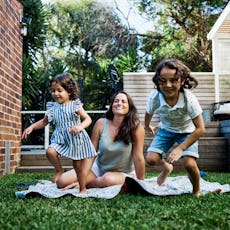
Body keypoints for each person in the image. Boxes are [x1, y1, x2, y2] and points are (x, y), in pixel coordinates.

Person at [21, 73, 97, 194]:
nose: (55, 93)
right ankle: (59, 170)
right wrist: (32, 127)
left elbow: (88, 119)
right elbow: (44, 121)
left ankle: (83, 189)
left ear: (69, 91)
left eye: (59, 90)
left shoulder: (75, 105)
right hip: (60, 138)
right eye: (53, 91)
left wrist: (80, 126)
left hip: (75, 138)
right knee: (50, 151)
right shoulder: (52, 107)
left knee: (78, 166)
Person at [56, 91, 145, 189]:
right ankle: (91, 182)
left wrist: (140, 183)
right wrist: (83, 176)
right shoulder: (101, 124)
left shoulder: (136, 127)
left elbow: (138, 157)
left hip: (122, 173)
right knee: (62, 181)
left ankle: (89, 185)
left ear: (129, 107)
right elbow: (91, 154)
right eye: (116, 101)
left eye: (124, 101)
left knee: (108, 179)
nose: (119, 103)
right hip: (99, 168)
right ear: (111, 105)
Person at [144, 58, 205, 197]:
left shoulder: (189, 100)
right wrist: (147, 126)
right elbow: (148, 113)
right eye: (163, 81)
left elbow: (200, 128)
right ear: (158, 81)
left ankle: (196, 190)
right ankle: (167, 168)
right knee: (151, 159)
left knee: (189, 164)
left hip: (187, 132)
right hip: (166, 130)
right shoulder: (155, 97)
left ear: (182, 81)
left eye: (174, 80)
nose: (168, 85)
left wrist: (181, 148)